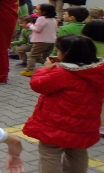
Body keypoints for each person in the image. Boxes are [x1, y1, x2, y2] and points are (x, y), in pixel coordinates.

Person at [23, 35, 104, 173]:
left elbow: (38, 85)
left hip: (57, 124)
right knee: (78, 151)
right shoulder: (98, 71)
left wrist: (45, 69)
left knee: (50, 153)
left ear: (67, 53)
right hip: (84, 124)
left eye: (58, 51)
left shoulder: (62, 72)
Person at [20, 4, 58, 77]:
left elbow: (37, 29)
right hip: (51, 41)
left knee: (32, 56)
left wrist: (30, 25)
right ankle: (51, 67)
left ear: (43, 12)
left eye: (37, 9)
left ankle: (29, 70)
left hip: (41, 41)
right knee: (44, 56)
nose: (35, 11)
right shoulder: (53, 19)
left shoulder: (42, 18)